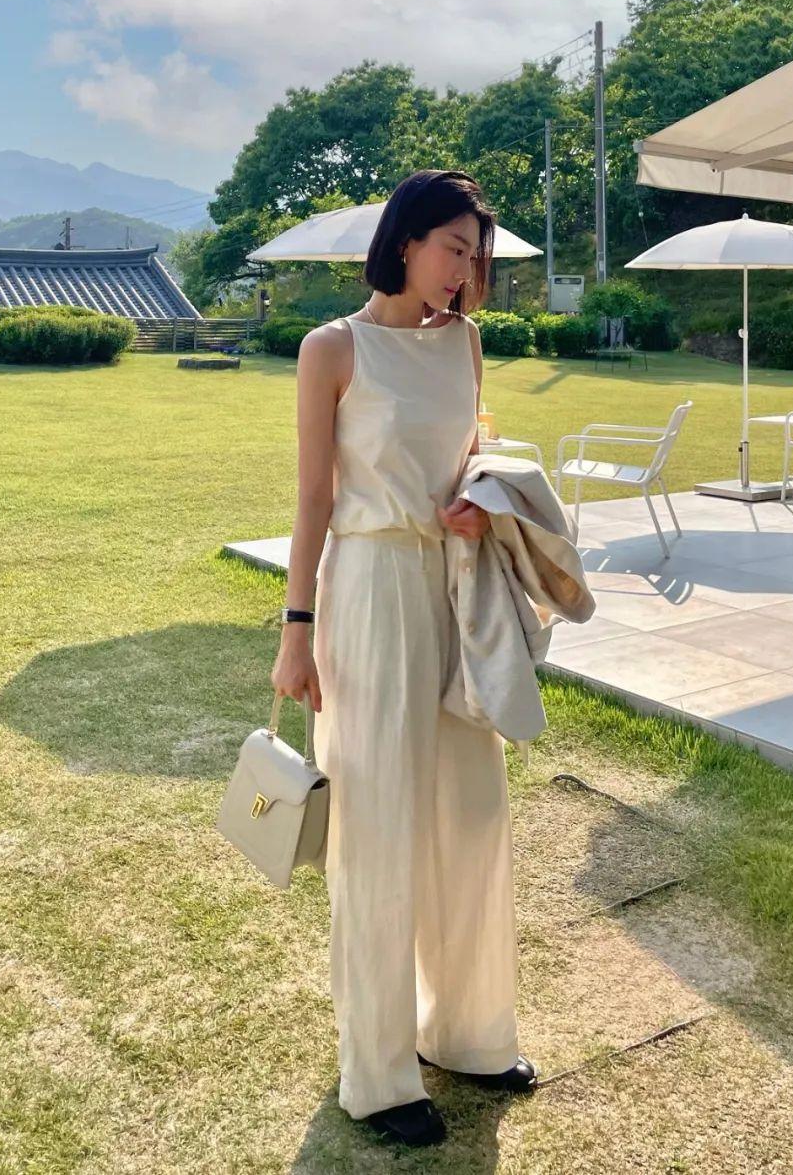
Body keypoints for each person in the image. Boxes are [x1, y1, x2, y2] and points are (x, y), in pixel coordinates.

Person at [270, 170, 535, 1149]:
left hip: (455, 591)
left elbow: (471, 460)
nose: (466, 271)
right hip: (370, 592)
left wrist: (481, 503)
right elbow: (313, 500)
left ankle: (466, 1033)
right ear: (407, 241)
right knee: (377, 829)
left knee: (471, 811)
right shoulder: (332, 349)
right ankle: (378, 1077)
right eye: (454, 248)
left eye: (476, 255)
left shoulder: (465, 343)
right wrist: (295, 630)